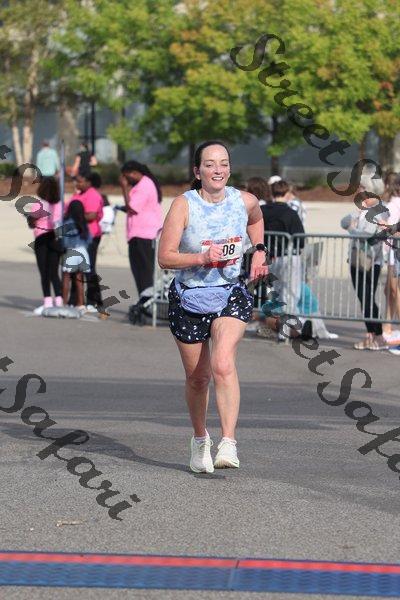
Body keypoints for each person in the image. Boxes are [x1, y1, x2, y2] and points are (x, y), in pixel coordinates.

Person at [158, 140, 268, 474]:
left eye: (223, 164)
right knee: (198, 378)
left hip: (229, 291)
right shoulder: (184, 205)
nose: (217, 170)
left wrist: (259, 250)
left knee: (222, 363)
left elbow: (255, 220)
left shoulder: (244, 200)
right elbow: (165, 257)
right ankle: (199, 439)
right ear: (197, 171)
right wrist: (202, 257)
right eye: (209, 164)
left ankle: (229, 442)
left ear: (230, 169)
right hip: (189, 296)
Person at [341, 175, 387, 350]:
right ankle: (371, 335)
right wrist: (354, 219)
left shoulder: (379, 210)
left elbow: (367, 234)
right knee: (363, 297)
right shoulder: (362, 209)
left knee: (367, 297)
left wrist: (352, 229)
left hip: (371, 261)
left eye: (362, 187)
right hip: (357, 259)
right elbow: (343, 221)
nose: (359, 190)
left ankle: (378, 335)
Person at [261, 180, 305, 338]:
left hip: (270, 257)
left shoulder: (262, 211)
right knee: (291, 293)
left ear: (272, 193)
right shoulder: (290, 213)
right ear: (287, 193)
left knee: (275, 294)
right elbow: (300, 238)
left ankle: (278, 327)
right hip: (288, 256)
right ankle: (286, 330)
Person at [119, 160, 163, 300]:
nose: (125, 179)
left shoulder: (145, 184)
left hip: (144, 235)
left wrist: (124, 188)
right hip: (138, 235)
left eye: (126, 176)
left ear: (133, 173)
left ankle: (146, 303)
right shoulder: (141, 184)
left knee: (144, 273)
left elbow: (132, 207)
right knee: (139, 272)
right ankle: (144, 302)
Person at [68, 172, 104, 312]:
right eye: (76, 181)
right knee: (75, 269)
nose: (77, 184)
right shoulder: (77, 195)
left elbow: (91, 215)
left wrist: (75, 215)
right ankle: (74, 300)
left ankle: (94, 301)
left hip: (91, 236)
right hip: (76, 236)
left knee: (89, 269)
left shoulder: (93, 195)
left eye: (80, 181)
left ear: (89, 182)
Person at [27, 176, 63, 315]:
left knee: (44, 272)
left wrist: (30, 218)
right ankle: (59, 300)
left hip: (42, 238)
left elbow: (32, 223)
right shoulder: (60, 204)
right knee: (54, 272)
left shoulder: (39, 204)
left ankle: (48, 302)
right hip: (56, 238)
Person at [62, 200, 91, 311]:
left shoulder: (67, 222)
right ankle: (80, 303)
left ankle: (64, 303)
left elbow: (65, 241)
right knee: (79, 278)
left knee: (66, 278)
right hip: (83, 251)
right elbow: (89, 239)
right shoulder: (83, 222)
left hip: (71, 250)